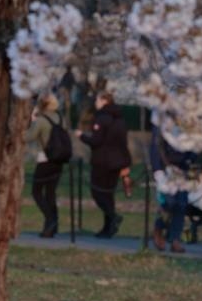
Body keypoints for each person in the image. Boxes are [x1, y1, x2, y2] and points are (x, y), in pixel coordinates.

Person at [76, 90, 131, 238]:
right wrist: (126, 163)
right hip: (116, 162)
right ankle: (108, 228)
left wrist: (82, 136)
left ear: (104, 101)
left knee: (97, 192)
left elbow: (96, 141)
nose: (96, 102)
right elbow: (123, 142)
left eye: (97, 100)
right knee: (108, 195)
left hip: (102, 161)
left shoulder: (101, 118)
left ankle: (113, 217)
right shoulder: (120, 119)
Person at [25, 93, 64, 238]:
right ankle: (52, 227)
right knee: (50, 193)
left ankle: (50, 219)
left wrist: (32, 121)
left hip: (45, 159)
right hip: (58, 160)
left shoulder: (41, 120)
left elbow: (29, 136)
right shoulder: (59, 117)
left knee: (36, 191)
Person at [150, 128, 193, 253]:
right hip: (165, 169)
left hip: (182, 168)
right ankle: (158, 230)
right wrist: (157, 169)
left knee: (181, 204)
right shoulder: (164, 120)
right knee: (167, 204)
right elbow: (155, 146)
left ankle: (175, 239)